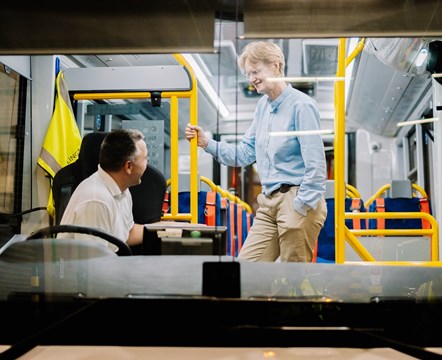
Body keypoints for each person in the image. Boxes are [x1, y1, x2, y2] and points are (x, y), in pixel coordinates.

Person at [185, 41, 327, 262]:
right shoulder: (263, 107)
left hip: (296, 199)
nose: (251, 79)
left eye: (255, 71)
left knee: (293, 280)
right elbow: (244, 153)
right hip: (268, 202)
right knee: (246, 269)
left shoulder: (302, 105)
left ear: (276, 65)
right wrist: (206, 142)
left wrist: (301, 206)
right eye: (247, 74)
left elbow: (316, 165)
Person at [58, 129, 148, 250]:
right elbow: (92, 262)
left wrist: (168, 229)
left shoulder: (122, 190)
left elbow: (128, 233)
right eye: (145, 159)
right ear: (128, 166)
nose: (147, 164)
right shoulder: (96, 200)